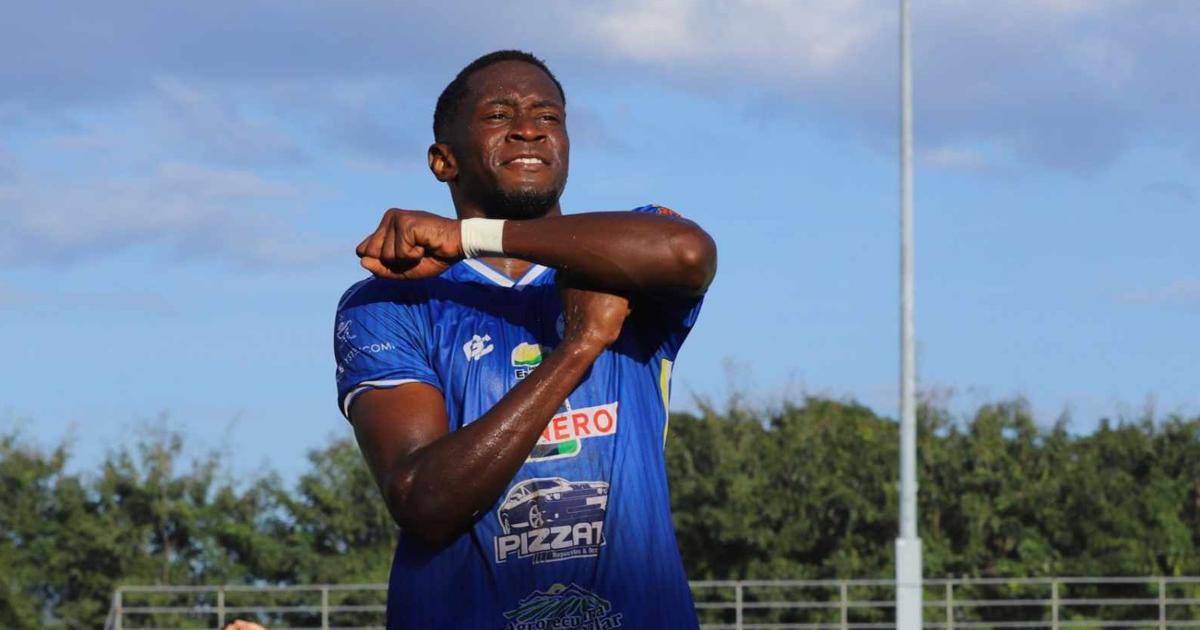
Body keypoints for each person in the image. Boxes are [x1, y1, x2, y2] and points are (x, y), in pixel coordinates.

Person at [334, 49, 717, 629]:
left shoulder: (626, 260)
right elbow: (423, 501)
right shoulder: (389, 303)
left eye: (548, 116)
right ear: (443, 160)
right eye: (498, 115)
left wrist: (470, 236)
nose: (529, 130)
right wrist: (577, 349)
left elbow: (687, 252)